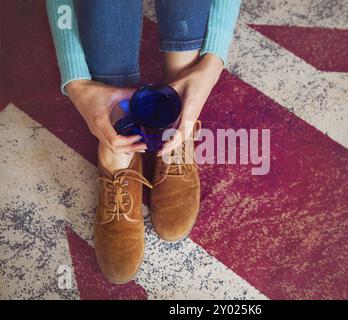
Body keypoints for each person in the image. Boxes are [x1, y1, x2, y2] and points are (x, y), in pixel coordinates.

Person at [46, 0, 241, 284]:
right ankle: (119, 150)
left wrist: (212, 61)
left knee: (183, 62)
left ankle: (173, 120)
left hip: (187, 59)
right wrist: (76, 80)